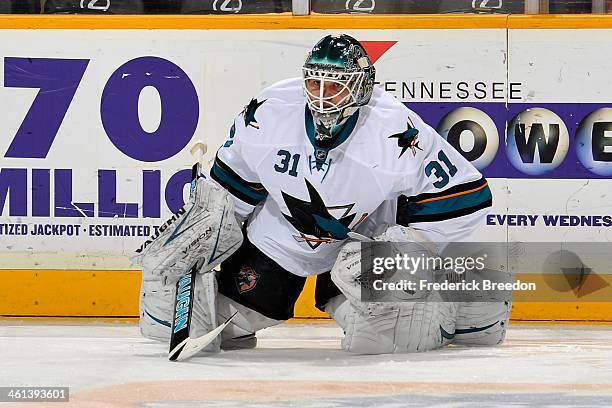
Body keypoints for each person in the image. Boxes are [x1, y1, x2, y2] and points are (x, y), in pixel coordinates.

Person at [137, 34, 506, 354]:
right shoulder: (269, 111)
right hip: (279, 241)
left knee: (385, 339)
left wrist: (408, 252)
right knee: (189, 321)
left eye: (336, 85)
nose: (323, 97)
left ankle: (466, 304)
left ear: (361, 86)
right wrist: (205, 228)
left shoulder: (395, 129)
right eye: (315, 84)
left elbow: (465, 195)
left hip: (360, 246)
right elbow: (232, 188)